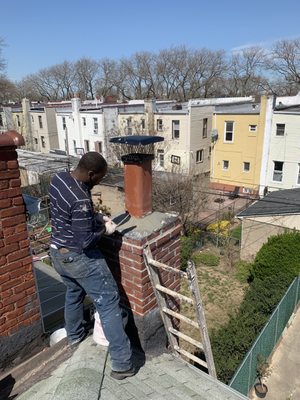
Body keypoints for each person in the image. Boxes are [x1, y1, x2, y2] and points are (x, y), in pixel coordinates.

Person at [49, 151, 135, 380]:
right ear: (90, 173)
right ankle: (122, 363)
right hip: (79, 258)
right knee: (108, 302)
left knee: (74, 292)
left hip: (57, 253)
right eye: (98, 177)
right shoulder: (79, 199)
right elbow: (85, 240)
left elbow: (64, 213)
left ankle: (75, 337)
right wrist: (103, 229)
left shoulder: (59, 179)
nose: (99, 181)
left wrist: (94, 216)